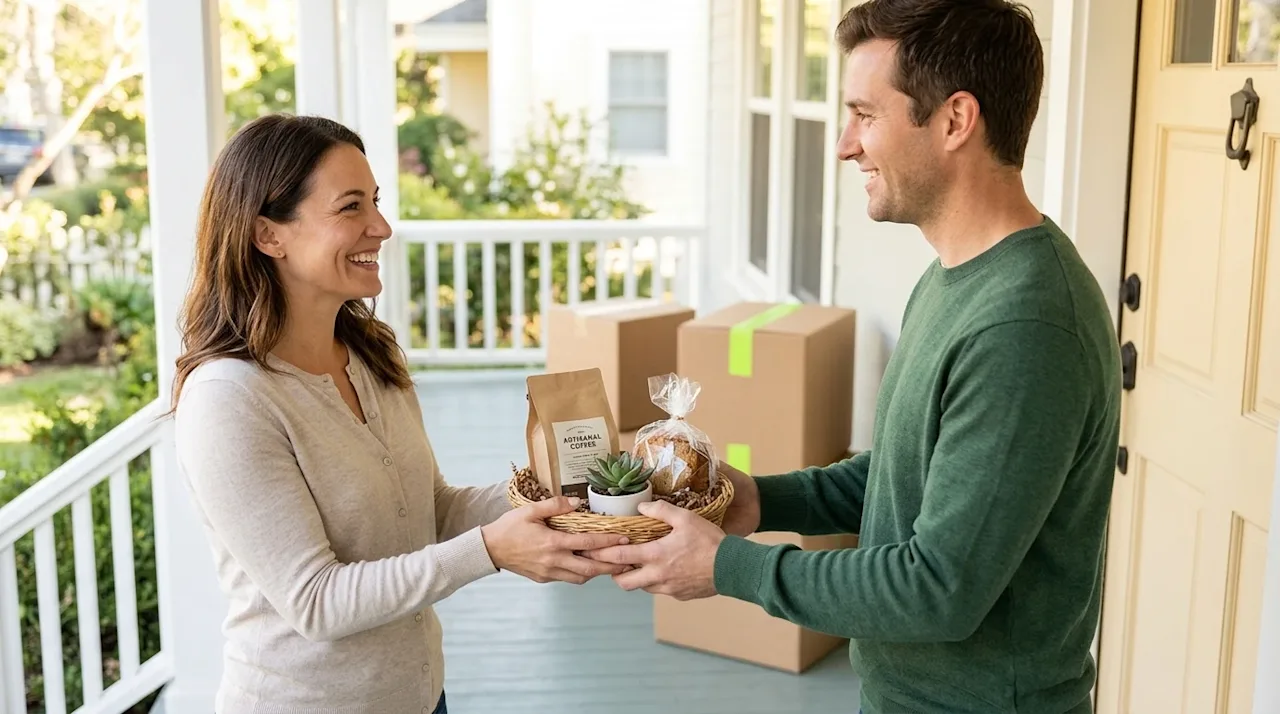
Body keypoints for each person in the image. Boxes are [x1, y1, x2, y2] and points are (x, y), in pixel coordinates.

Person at [585, 1, 1121, 712]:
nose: (845, 145)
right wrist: (758, 500)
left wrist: (727, 567)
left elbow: (938, 590)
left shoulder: (1024, 326)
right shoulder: (954, 276)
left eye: (866, 115)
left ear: (956, 120)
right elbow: (905, 476)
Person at [170, 113, 629, 714]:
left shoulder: (370, 354)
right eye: (351, 207)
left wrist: (559, 487)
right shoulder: (230, 398)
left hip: (420, 697)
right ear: (268, 235)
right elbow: (316, 601)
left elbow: (430, 510)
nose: (381, 227)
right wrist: (492, 550)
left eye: (376, 202)